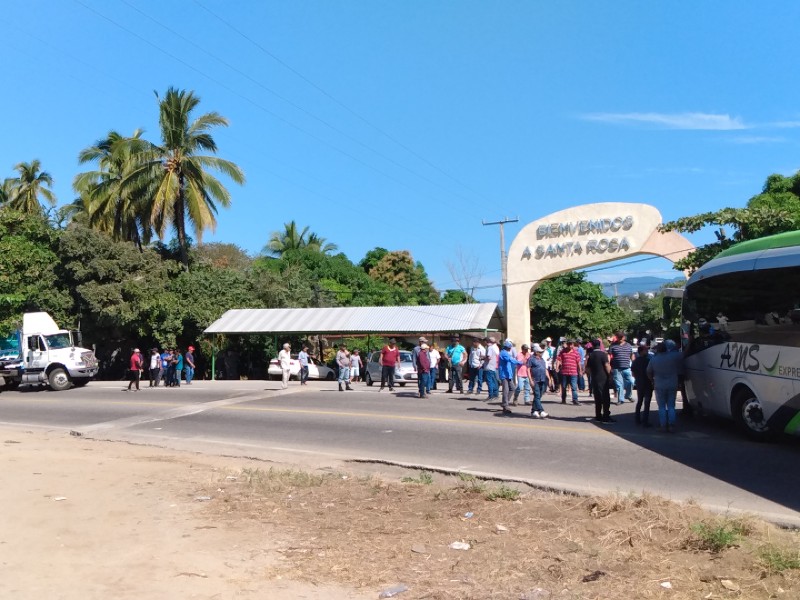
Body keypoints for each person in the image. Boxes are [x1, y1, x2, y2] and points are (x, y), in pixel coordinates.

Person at [647, 340, 684, 432]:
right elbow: (684, 354)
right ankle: (671, 424)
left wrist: (652, 380)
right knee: (671, 405)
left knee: (662, 406)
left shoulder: (654, 359)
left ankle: (663, 424)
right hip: (672, 383)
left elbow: (648, 371)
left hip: (659, 384)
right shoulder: (673, 357)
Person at [586, 338, 614, 423]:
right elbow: (606, 365)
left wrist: (591, 375)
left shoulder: (591, 355)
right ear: (600, 345)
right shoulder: (603, 354)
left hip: (595, 378)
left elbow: (587, 369)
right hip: (603, 378)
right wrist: (610, 374)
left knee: (597, 398)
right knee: (605, 398)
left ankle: (598, 416)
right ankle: (606, 416)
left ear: (593, 345)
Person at [609, 331, 635, 404]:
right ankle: (621, 399)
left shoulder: (628, 345)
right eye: (618, 337)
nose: (620, 338)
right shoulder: (613, 345)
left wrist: (634, 364)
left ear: (624, 337)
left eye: (621, 337)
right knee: (619, 384)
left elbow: (631, 355)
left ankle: (628, 395)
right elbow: (609, 355)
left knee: (631, 382)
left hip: (627, 367)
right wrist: (608, 365)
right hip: (616, 368)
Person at [631, 342, 653, 427]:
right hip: (647, 383)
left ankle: (637, 419)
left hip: (639, 383)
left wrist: (637, 377)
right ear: (641, 351)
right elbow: (651, 372)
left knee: (640, 401)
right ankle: (645, 421)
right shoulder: (648, 361)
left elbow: (633, 373)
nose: (647, 351)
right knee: (647, 403)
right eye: (645, 350)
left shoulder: (635, 361)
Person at [498, 340, 522, 414]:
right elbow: (510, 360)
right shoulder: (503, 353)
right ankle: (505, 405)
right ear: (506, 347)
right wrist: (520, 362)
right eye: (509, 347)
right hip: (504, 375)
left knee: (512, 388)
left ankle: (505, 403)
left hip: (508, 374)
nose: (510, 349)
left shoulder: (506, 353)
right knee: (506, 390)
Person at [527, 344, 551, 418]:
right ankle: (541, 411)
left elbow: (545, 369)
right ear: (536, 352)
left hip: (543, 379)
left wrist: (549, 379)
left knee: (539, 396)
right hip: (535, 380)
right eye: (540, 352)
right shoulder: (531, 359)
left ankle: (534, 410)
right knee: (537, 395)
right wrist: (530, 380)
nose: (541, 353)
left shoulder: (542, 359)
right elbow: (528, 369)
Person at [557, 340, 582, 405]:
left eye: (572, 344)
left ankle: (575, 400)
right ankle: (563, 400)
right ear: (567, 344)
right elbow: (559, 359)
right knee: (564, 387)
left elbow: (578, 362)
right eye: (569, 344)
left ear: (573, 345)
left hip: (573, 372)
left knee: (574, 387)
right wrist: (557, 367)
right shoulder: (563, 351)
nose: (570, 346)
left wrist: (580, 370)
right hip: (564, 372)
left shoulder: (576, 353)